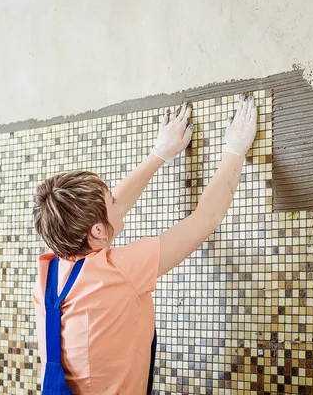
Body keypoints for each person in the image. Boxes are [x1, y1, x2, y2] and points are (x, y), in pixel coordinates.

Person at [32, 95, 258, 394]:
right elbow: (206, 218)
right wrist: (235, 148)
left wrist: (159, 154)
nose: (117, 200)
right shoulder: (119, 269)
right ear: (97, 231)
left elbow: (108, 216)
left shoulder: (48, 277)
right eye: (110, 199)